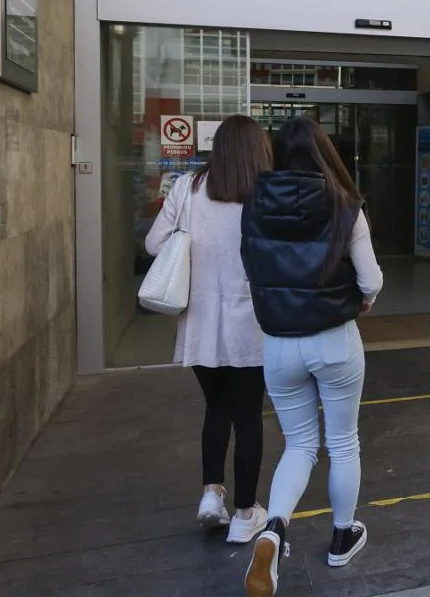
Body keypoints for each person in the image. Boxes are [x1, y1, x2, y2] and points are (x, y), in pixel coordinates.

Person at [241, 118, 384, 596]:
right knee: (343, 443)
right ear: (326, 153)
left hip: (279, 342)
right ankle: (343, 536)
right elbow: (372, 280)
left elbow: (252, 270)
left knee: (298, 445)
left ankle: (273, 530)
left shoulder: (253, 206)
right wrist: (362, 299)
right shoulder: (346, 206)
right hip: (334, 338)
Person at [143, 115, 273, 543]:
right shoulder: (267, 192)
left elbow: (153, 244)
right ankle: (245, 513)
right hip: (251, 324)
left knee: (216, 409)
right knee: (249, 416)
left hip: (199, 322)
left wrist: (189, 239)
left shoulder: (188, 187)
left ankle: (211, 495)